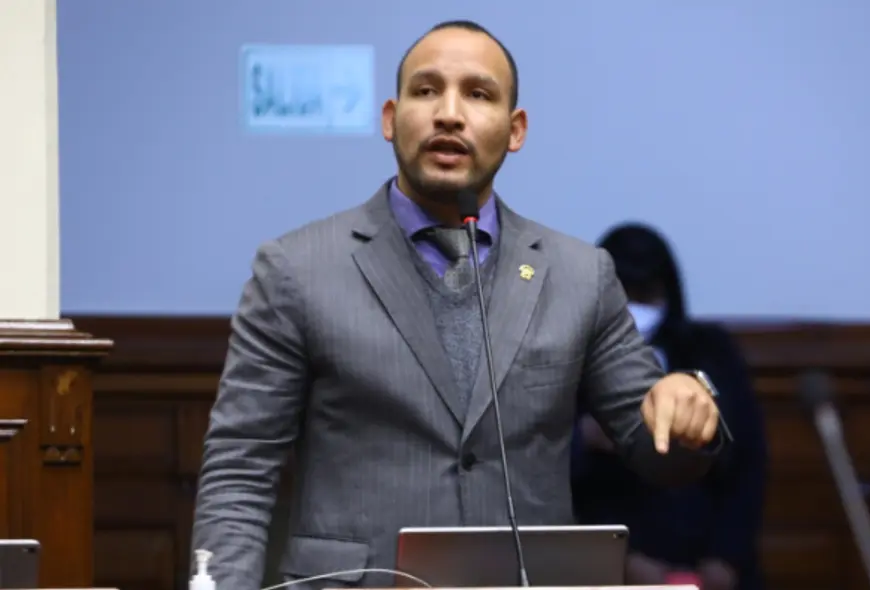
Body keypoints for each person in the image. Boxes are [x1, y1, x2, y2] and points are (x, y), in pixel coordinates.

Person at [192, 21, 728, 590]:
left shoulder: (579, 275)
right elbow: (240, 469)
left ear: (515, 129)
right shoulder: (297, 269)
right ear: (390, 119)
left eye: (478, 94)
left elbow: (659, 453)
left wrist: (691, 407)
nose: (449, 113)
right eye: (426, 91)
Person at [572, 223, 769, 590]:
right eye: (621, 293)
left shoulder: (711, 352)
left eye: (644, 293)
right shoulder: (566, 358)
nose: (633, 307)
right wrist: (583, 437)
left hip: (709, 557)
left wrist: (726, 557)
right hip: (608, 562)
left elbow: (747, 463)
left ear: (668, 292)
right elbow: (541, 478)